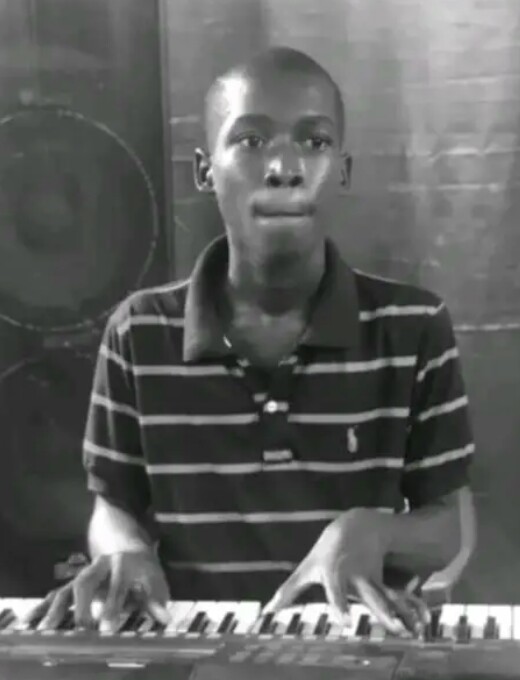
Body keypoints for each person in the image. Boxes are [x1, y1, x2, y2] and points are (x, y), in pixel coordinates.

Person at [33, 46, 476, 637]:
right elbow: (113, 506)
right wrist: (125, 551)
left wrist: (373, 529)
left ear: (343, 169)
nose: (284, 168)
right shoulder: (138, 333)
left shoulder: (415, 327)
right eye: (250, 140)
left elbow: (445, 526)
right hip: (195, 644)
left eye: (315, 142)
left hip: (359, 646)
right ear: (204, 170)